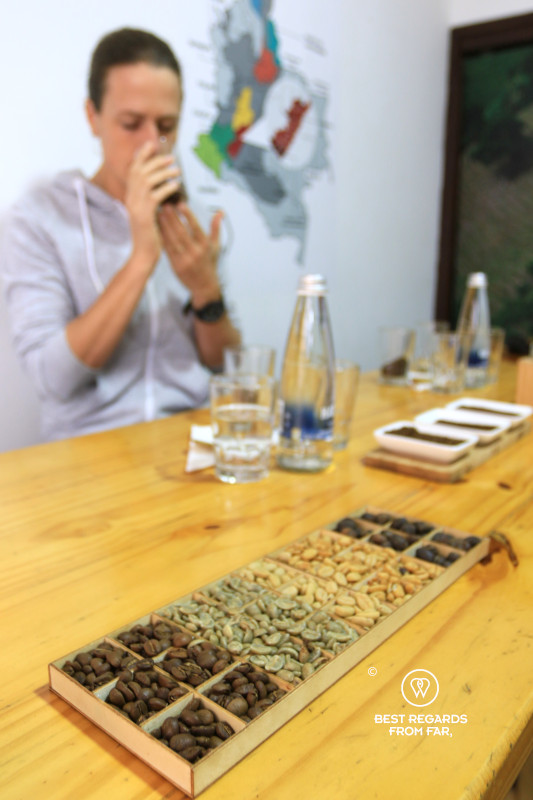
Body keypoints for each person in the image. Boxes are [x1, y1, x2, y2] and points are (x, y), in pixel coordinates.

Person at [1, 28, 241, 442]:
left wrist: (207, 292)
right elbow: (53, 378)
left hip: (187, 444)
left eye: (166, 126)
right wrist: (141, 259)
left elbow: (228, 366)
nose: (152, 144)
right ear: (92, 117)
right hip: (88, 456)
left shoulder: (191, 219)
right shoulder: (38, 218)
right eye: (131, 124)